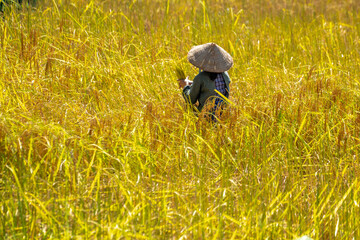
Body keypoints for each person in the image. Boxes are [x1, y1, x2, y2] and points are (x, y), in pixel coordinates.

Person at [178, 42, 233, 121]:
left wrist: (185, 86)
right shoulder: (225, 75)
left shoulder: (200, 78)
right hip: (222, 114)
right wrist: (192, 83)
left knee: (187, 110)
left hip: (206, 117)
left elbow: (191, 99)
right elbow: (212, 87)